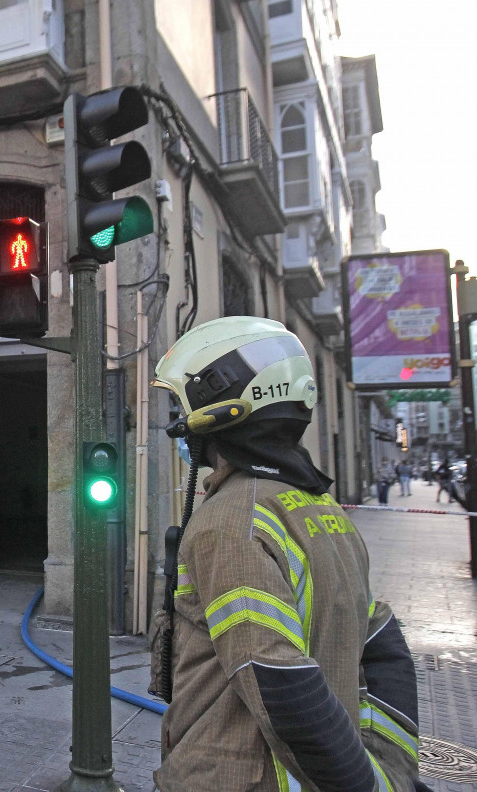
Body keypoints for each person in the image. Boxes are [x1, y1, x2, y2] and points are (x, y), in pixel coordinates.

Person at [151, 317, 420, 791]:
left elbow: (276, 677)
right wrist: (390, 771)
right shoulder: (324, 509)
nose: (179, 418)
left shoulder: (230, 521)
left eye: (182, 401)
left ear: (220, 402)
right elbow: (382, 647)